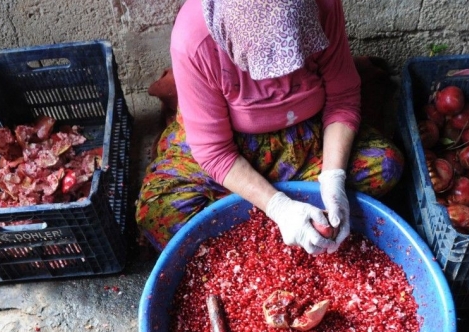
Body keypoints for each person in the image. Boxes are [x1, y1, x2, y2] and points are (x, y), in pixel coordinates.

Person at [135, 0, 404, 255]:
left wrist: (333, 178)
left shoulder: (323, 6)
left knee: (386, 165)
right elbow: (214, 150)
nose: (281, 80)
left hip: (308, 136)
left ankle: (279, 215)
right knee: (158, 215)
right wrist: (278, 207)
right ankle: (279, 214)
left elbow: (342, 98)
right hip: (230, 145)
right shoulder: (194, 38)